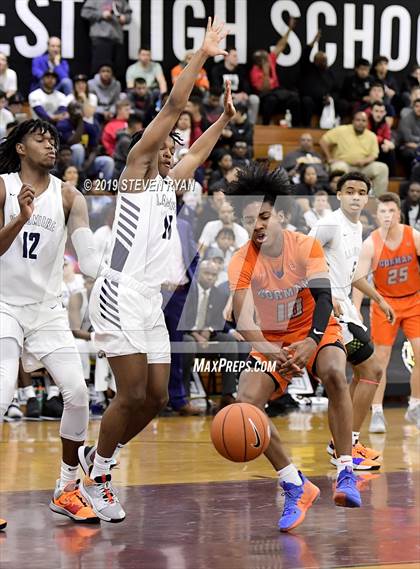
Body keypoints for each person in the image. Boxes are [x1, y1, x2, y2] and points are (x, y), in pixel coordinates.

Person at [76, 17, 231, 523]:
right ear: (146, 147)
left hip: (149, 298)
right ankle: (98, 473)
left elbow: (200, 149)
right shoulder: (137, 173)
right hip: (117, 292)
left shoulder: (168, 183)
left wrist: (224, 120)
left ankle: (99, 457)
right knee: (132, 392)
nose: (172, 147)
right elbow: (172, 108)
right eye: (165, 142)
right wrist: (202, 56)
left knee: (158, 395)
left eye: (173, 146)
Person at [227, 163, 361, 533]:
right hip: (271, 340)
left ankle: (346, 470)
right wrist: (269, 349)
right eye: (251, 218)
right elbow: (244, 320)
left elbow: (322, 298)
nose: (258, 225)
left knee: (334, 371)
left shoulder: (305, 245)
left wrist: (312, 341)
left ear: (281, 215)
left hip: (315, 330)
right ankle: (293, 482)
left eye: (265, 216)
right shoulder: (240, 260)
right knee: (245, 405)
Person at [0, 119, 102, 525]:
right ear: (21, 148)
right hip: (4, 304)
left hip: (46, 309)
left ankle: (66, 488)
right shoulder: (4, 186)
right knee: (2, 392)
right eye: (39, 138)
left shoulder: (69, 195)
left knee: (78, 392)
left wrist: (106, 273)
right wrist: (19, 219)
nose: (49, 144)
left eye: (53, 139)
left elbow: (87, 253)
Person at [309, 172, 395, 469]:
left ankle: (344, 443)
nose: (356, 196)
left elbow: (354, 274)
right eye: (350, 191)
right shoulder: (329, 223)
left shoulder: (356, 227)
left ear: (367, 197)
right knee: (372, 369)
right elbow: (300, 256)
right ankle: (347, 444)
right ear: (339, 195)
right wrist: (321, 294)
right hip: (329, 307)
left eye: (361, 192)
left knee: (363, 375)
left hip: (346, 307)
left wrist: (380, 299)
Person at [353, 193, 420, 432]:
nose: (387, 215)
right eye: (383, 211)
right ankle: (377, 412)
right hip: (385, 303)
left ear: (399, 213)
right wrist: (355, 309)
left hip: (413, 301)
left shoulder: (413, 236)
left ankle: (415, 406)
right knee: (380, 360)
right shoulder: (371, 243)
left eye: (392, 211)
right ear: (377, 215)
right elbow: (358, 278)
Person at [319, 111, 389, 196]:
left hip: (363, 167)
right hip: (345, 165)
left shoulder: (371, 136)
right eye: (358, 120)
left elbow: (374, 155)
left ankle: (378, 200)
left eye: (363, 121)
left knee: (382, 168)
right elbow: (323, 141)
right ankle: (342, 197)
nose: (360, 123)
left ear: (367, 123)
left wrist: (364, 161)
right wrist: (329, 157)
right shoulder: (341, 130)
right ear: (353, 121)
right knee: (339, 167)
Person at [249, 18, 300, 126]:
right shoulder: (254, 71)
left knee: (294, 98)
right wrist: (266, 73)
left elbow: (281, 45)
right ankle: (265, 125)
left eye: (267, 57)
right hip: (266, 95)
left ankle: (295, 126)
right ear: (259, 62)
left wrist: (290, 29)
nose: (267, 59)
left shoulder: (270, 59)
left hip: (277, 92)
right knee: (271, 100)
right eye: (264, 59)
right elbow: (265, 89)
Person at [81, 0, 132, 80]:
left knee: (118, 69)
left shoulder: (121, 1)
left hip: (117, 39)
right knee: (100, 68)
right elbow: (84, 12)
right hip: (100, 38)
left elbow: (128, 15)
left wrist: (125, 18)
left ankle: (114, 90)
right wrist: (101, 14)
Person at [299, 30, 338, 126]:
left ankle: (333, 125)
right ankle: (306, 126)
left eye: (324, 60)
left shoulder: (330, 73)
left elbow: (336, 89)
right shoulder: (308, 69)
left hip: (324, 102)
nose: (323, 62)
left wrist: (331, 98)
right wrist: (313, 42)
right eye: (320, 60)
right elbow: (305, 54)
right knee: (306, 101)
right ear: (315, 61)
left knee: (340, 103)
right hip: (311, 100)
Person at [211, 47, 259, 124]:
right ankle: (225, 124)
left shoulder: (241, 70)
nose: (237, 58)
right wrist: (232, 95)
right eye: (234, 56)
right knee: (222, 98)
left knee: (254, 99)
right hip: (226, 97)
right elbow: (216, 88)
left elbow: (247, 86)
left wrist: (244, 94)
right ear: (226, 57)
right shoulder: (217, 69)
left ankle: (250, 125)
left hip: (240, 97)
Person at [367, 101, 396, 176]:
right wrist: (383, 140)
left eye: (381, 112)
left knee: (390, 151)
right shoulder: (366, 120)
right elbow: (367, 136)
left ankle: (391, 178)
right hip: (366, 147)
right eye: (376, 111)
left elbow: (387, 137)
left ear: (385, 113)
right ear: (371, 111)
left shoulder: (385, 123)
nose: (379, 114)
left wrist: (386, 145)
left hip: (378, 147)